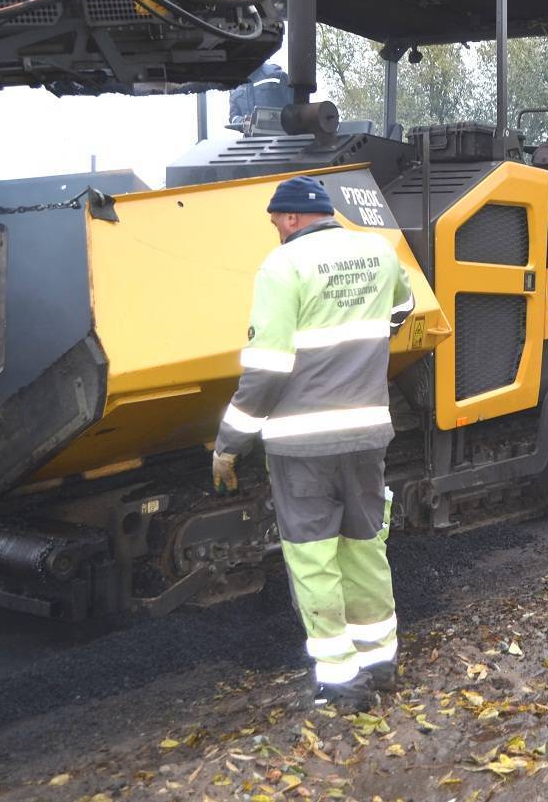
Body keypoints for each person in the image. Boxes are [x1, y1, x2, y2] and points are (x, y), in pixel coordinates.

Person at [211, 175, 414, 712]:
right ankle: (380, 661)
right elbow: (404, 308)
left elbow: (267, 369)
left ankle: (342, 680)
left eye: (276, 218)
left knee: (313, 557)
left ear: (295, 217)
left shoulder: (283, 267)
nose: (275, 227)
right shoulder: (377, 250)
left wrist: (230, 441)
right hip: (367, 433)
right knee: (366, 544)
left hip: (302, 445)